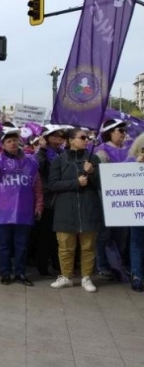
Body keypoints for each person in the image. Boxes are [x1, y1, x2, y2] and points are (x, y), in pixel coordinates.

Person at [0, 128, 43, 286]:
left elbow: (37, 186)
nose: (13, 143)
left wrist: (39, 206)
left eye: (15, 140)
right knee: (3, 245)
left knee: (22, 245)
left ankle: (20, 273)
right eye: (9, 141)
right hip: (2, 210)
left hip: (25, 210)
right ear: (3, 144)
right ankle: (5, 272)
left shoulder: (31, 161)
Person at [48, 127, 103, 293]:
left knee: (88, 247)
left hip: (88, 209)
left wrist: (93, 173)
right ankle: (66, 276)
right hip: (65, 209)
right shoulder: (59, 160)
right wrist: (76, 183)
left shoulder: (93, 158)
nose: (86, 140)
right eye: (82, 137)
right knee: (65, 246)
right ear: (71, 140)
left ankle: (86, 277)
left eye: (87, 138)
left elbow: (103, 184)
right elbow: (52, 185)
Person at [94, 119, 130, 281]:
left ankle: (119, 264)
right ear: (110, 132)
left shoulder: (129, 150)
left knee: (122, 234)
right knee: (104, 234)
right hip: (106, 199)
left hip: (126, 199)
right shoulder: (101, 151)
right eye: (120, 130)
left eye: (124, 130)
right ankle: (102, 265)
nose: (123, 134)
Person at [34, 125, 65, 277]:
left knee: (57, 235)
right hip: (47, 199)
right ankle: (42, 266)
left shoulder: (62, 152)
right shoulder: (41, 153)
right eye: (55, 136)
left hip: (59, 198)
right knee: (45, 235)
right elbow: (38, 167)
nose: (58, 139)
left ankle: (57, 263)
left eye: (60, 136)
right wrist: (43, 150)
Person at [127, 134, 144, 292]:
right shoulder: (131, 161)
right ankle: (137, 276)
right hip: (137, 211)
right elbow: (119, 176)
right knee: (137, 243)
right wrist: (135, 163)